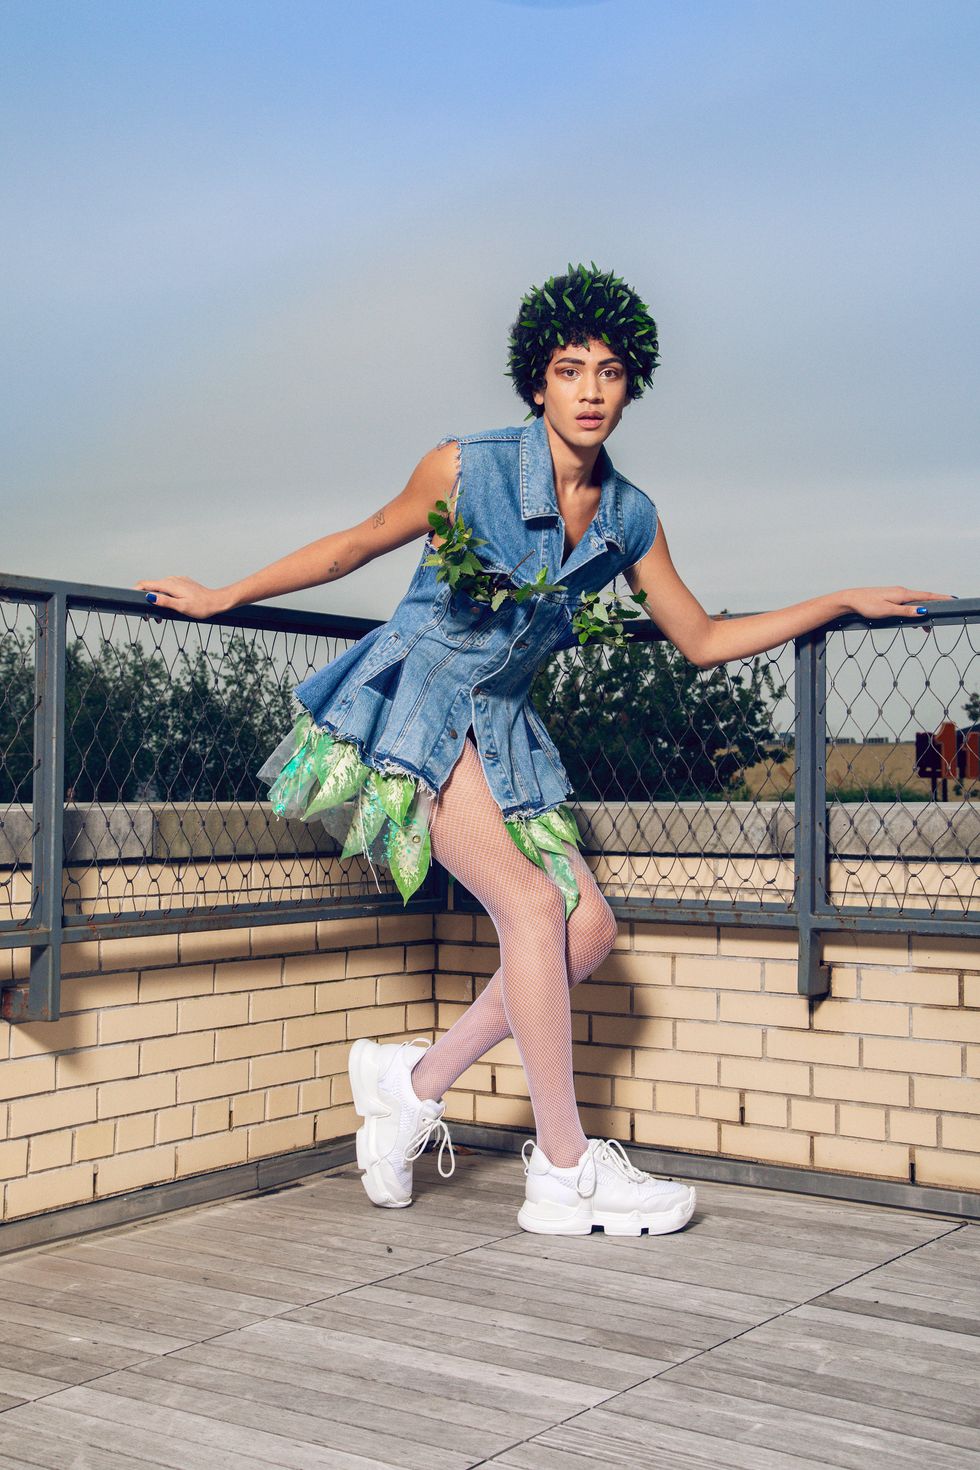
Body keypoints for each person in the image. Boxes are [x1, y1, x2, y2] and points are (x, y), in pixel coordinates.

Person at [135, 263, 952, 1238]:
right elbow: (356, 543)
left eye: (608, 372)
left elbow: (698, 639)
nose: (590, 391)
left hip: (504, 731)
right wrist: (224, 594)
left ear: (630, 386)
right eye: (570, 371)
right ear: (537, 383)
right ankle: (564, 1172)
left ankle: (412, 1085)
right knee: (531, 906)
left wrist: (836, 599)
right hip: (418, 709)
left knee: (587, 928)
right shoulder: (463, 467)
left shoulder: (627, 517)